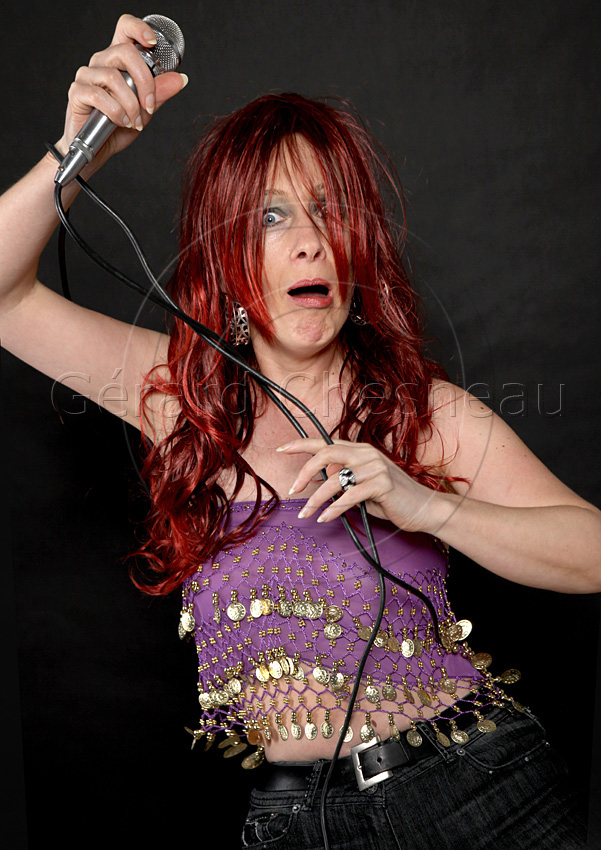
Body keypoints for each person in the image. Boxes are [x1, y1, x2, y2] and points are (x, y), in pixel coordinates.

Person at [1, 14, 599, 850]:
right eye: (271, 218)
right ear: (228, 259)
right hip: (296, 824)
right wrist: (81, 151)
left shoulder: (423, 413)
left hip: (481, 796)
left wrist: (425, 506)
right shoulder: (179, 399)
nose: (311, 242)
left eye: (328, 211)